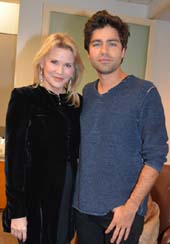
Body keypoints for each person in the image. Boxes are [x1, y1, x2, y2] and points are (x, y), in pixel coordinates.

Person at [73, 10, 169, 244]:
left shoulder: (145, 92)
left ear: (123, 50)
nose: (104, 51)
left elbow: (156, 156)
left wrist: (131, 207)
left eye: (112, 44)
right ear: (88, 51)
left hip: (122, 214)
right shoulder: (86, 93)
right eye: (97, 43)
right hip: (83, 210)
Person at [2, 32, 84, 244]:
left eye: (67, 65)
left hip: (67, 194)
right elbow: (14, 160)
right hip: (34, 199)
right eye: (54, 62)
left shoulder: (76, 104)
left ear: (74, 70)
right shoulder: (23, 98)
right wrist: (17, 212)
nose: (60, 70)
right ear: (41, 64)